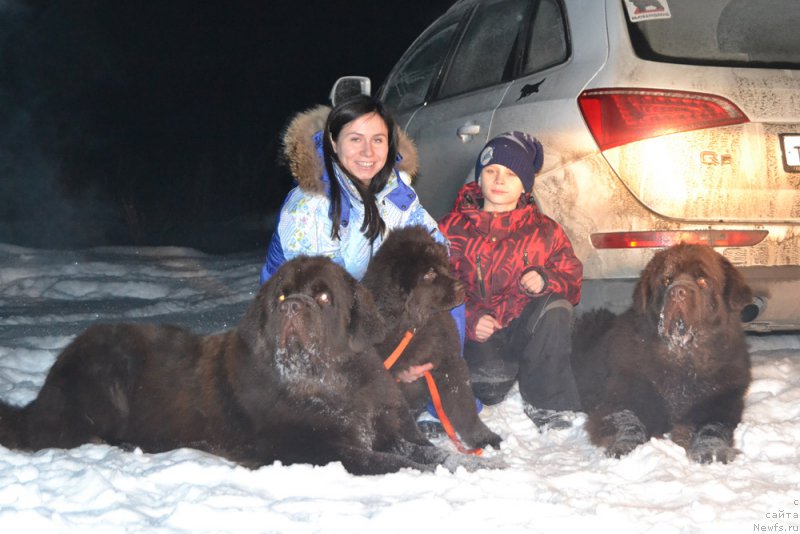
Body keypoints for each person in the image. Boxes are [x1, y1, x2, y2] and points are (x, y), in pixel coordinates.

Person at [259, 94, 455, 384]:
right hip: (306, 315)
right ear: (334, 144)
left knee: (445, 293)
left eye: (378, 140)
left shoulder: (396, 194)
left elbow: (437, 251)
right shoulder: (310, 204)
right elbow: (324, 294)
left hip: (361, 301)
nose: (368, 151)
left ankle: (436, 384)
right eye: (355, 139)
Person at [438, 131, 583, 430]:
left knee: (556, 306)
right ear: (479, 179)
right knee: (489, 389)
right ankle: (450, 398)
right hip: (475, 338)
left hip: (521, 333)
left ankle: (548, 402)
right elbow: (433, 285)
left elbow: (572, 278)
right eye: (491, 171)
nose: (499, 180)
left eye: (511, 174)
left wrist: (546, 280)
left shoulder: (546, 231)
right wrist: (470, 317)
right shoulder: (449, 228)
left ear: (525, 185)